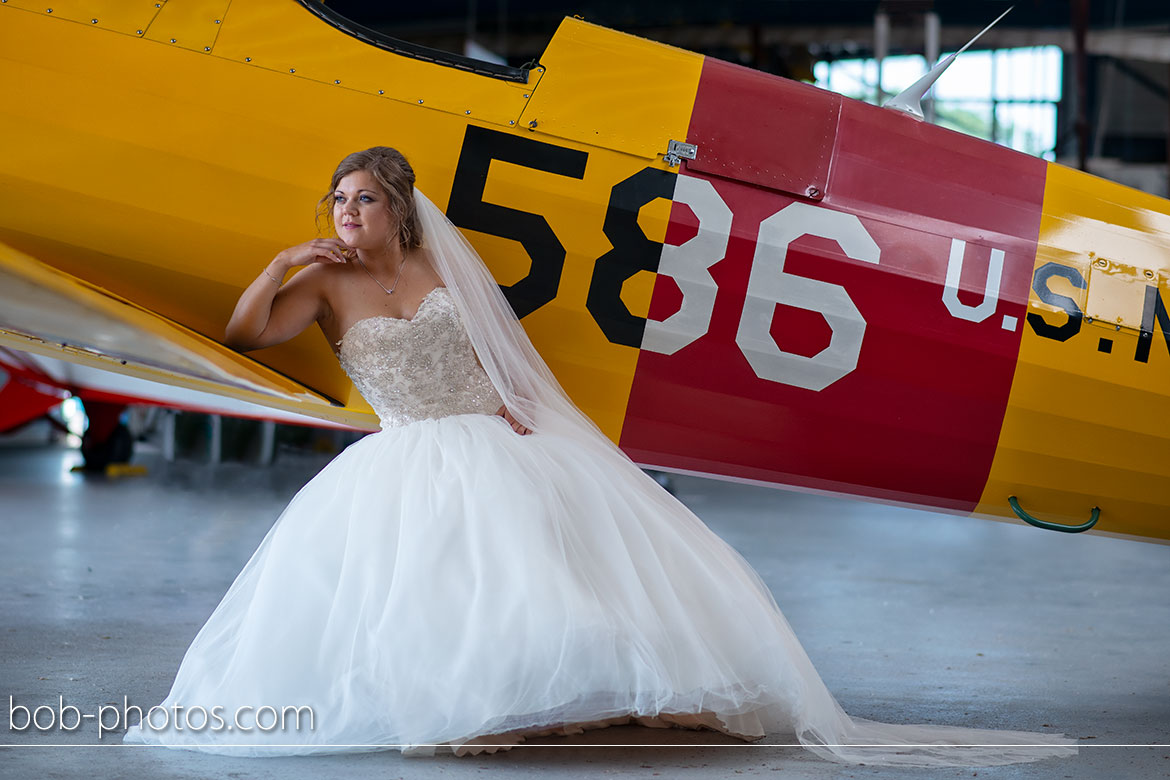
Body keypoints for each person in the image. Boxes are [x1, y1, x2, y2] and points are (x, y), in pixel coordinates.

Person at [123, 147, 1077, 766]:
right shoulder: (325, 288)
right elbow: (247, 337)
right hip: (404, 453)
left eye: (361, 200)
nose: (345, 212)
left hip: (492, 441)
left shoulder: (443, 267)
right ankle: (470, 698)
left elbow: (497, 349)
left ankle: (558, 694)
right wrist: (285, 262)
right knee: (433, 583)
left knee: (530, 571)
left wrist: (519, 413)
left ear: (399, 209)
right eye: (335, 199)